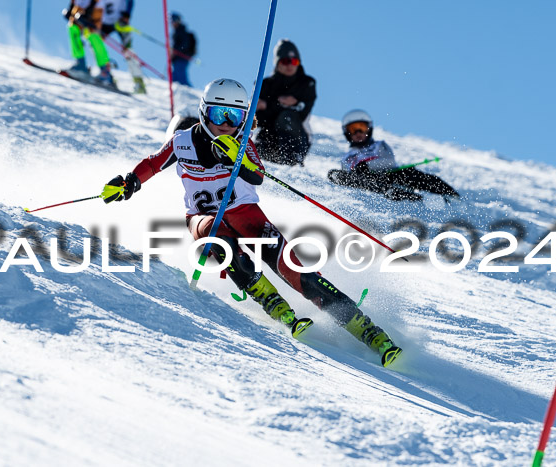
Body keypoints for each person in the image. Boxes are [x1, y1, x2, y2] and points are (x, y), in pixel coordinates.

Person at [102, 78, 402, 367]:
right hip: (204, 219)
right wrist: (129, 183)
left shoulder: (241, 142)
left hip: (247, 215)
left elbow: (256, 175)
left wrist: (239, 160)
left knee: (300, 274)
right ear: (205, 111)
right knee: (222, 244)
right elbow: (154, 163)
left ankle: (369, 332)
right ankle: (274, 305)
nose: (228, 123)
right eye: (221, 114)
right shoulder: (182, 141)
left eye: (236, 116)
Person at [328, 110, 460, 201]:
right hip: (366, 179)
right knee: (335, 174)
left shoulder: (379, 145)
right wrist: (358, 170)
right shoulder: (348, 156)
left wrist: (368, 165)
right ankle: (390, 191)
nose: (358, 132)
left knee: (409, 173)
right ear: (347, 133)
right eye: (353, 129)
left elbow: (389, 160)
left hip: (389, 174)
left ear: (369, 129)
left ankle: (449, 194)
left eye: (361, 128)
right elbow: (346, 171)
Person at [255, 39, 316, 166]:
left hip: (297, 140)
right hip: (269, 138)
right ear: (277, 63)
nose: (290, 65)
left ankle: (293, 161)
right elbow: (259, 117)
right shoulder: (265, 84)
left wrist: (269, 106)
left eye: (294, 61)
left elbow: (302, 112)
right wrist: (284, 104)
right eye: (285, 61)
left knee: (286, 117)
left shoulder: (307, 83)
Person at [63, 0, 116, 87]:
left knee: (93, 36)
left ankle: (105, 71)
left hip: (95, 12)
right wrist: (70, 11)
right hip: (80, 11)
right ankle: (80, 65)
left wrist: (89, 19)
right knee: (73, 28)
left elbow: (98, 12)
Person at [98, 0, 146, 94]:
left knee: (128, 50)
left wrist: (127, 14)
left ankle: (139, 82)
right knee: (95, 43)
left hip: (120, 21)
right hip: (104, 22)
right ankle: (105, 73)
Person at [170, 12, 195, 86]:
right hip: (178, 57)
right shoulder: (177, 32)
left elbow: (184, 45)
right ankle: (177, 91)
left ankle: (188, 92)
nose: (172, 23)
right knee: (174, 76)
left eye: (174, 20)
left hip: (182, 57)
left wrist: (175, 51)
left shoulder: (181, 31)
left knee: (180, 76)